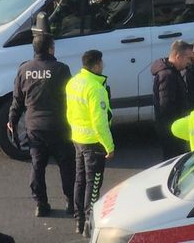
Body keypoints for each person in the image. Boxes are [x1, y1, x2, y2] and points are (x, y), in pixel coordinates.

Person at [8, 33, 75, 218]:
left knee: (37, 166)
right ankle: (71, 202)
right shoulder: (61, 69)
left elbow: (17, 101)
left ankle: (41, 204)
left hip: (35, 128)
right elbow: (71, 97)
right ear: (51, 49)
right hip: (59, 126)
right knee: (66, 165)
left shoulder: (24, 70)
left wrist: (12, 121)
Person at [66, 50, 114, 237]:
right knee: (93, 183)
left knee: (80, 180)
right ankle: (89, 221)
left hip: (77, 138)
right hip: (93, 142)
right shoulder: (96, 89)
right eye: (101, 62)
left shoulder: (73, 82)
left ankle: (78, 221)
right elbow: (100, 122)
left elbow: (69, 113)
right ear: (95, 65)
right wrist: (109, 146)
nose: (103, 65)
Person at [151, 40, 194, 160]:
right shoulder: (168, 75)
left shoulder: (172, 72)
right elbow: (166, 107)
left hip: (172, 128)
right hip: (172, 130)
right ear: (178, 56)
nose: (189, 62)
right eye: (188, 58)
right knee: (174, 161)